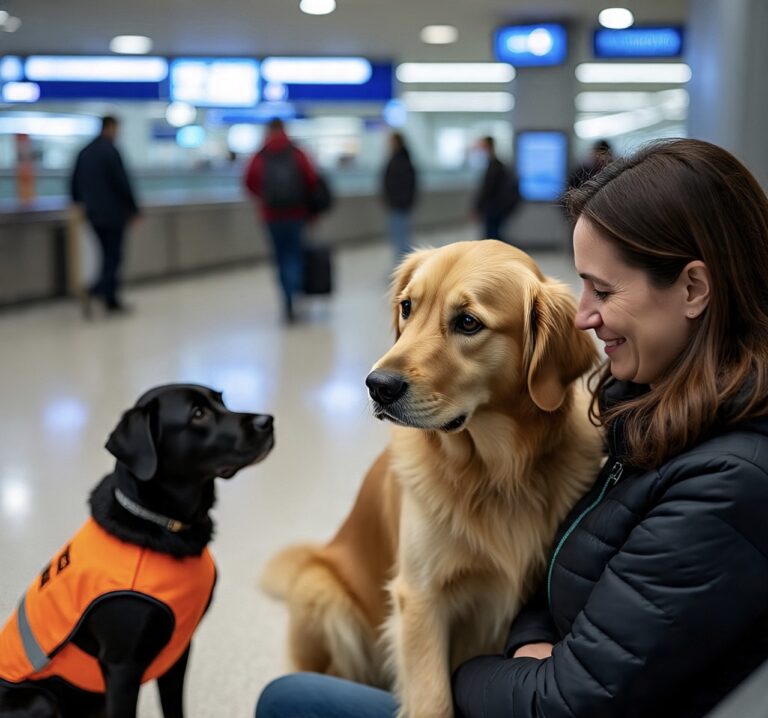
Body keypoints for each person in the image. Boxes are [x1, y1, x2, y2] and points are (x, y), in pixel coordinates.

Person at [254, 138, 768, 718]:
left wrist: (470, 674)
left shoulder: (724, 476)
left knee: (287, 701)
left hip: (534, 697)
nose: (583, 317)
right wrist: (527, 645)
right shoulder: (646, 409)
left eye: (602, 289)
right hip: (522, 674)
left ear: (694, 289)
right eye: (408, 309)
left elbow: (571, 697)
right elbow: (561, 578)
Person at [244, 118, 318, 323]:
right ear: (284, 130)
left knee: (279, 257)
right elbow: (312, 180)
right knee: (294, 254)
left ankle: (287, 300)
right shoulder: (297, 153)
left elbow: (248, 182)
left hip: (271, 216)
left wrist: (264, 198)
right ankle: (296, 287)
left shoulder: (260, 155)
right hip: (296, 214)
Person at [71, 115, 139, 315]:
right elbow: (122, 182)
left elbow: (74, 183)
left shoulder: (84, 152)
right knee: (114, 256)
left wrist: (80, 204)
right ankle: (97, 291)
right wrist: (134, 209)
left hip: (93, 214)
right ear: (110, 127)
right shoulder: (110, 151)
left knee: (106, 255)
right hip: (113, 214)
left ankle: (110, 300)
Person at [472, 136, 520, 243]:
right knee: (494, 236)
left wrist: (478, 207)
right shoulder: (497, 165)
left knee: (492, 238)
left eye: (482, 146)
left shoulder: (494, 167)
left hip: (493, 209)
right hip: (497, 208)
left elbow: (488, 190)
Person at [381, 132, 417, 262]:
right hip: (396, 204)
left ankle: (406, 266)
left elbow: (407, 183)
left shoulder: (402, 160)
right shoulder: (398, 158)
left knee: (401, 238)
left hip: (400, 205)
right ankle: (404, 266)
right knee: (398, 237)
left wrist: (402, 200)